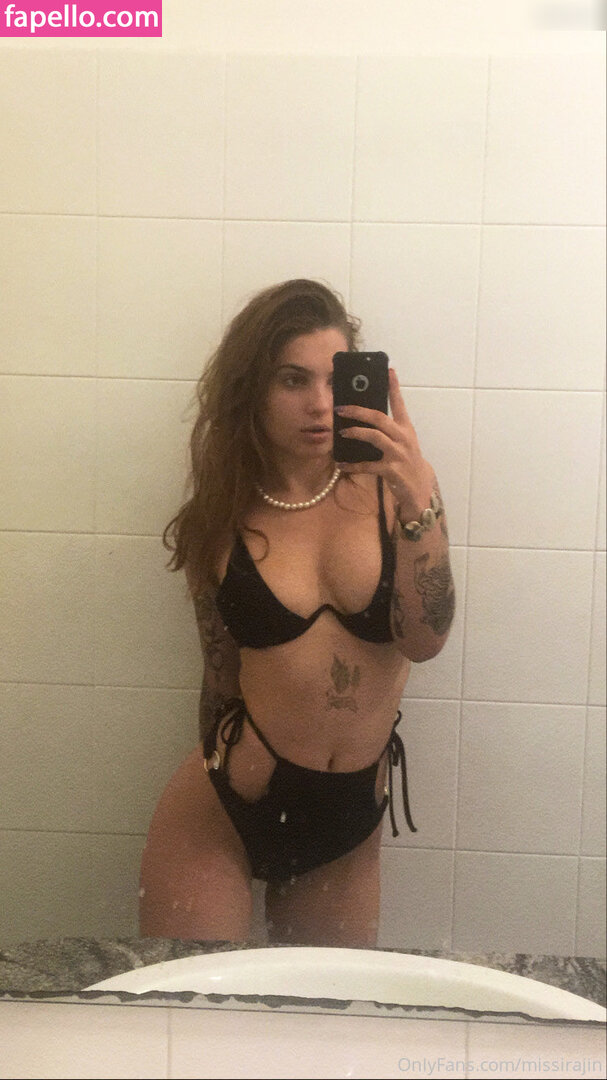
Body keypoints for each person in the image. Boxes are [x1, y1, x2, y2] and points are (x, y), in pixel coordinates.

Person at [139, 279, 455, 946]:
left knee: (322, 1009)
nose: (319, 404)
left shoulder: (399, 494)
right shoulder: (221, 515)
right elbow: (220, 675)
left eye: (335, 380)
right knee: (189, 1003)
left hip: (345, 822)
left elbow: (426, 640)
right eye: (292, 380)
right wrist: (235, 783)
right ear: (252, 390)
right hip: (221, 812)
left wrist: (419, 501)